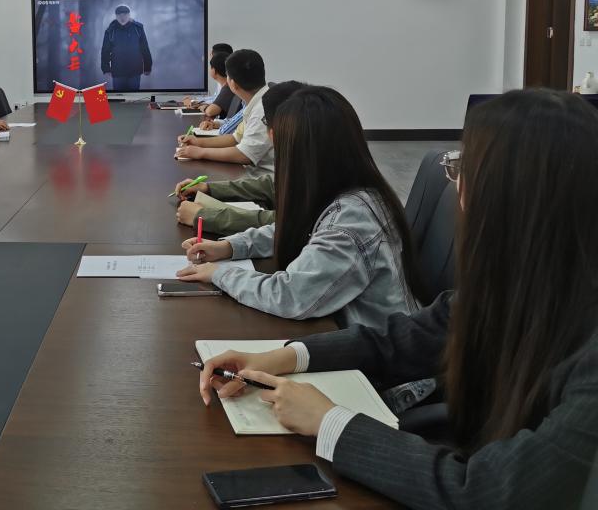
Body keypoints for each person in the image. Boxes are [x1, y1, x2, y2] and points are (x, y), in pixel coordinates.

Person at [197, 89, 598, 509]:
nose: (458, 187)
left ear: (514, 198)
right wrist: (283, 356)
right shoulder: (518, 288)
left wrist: (329, 421)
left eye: (465, 169)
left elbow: (485, 491)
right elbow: (392, 341)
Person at [176, 86, 426, 329]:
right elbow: (295, 229)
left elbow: (290, 296)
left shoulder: (351, 220)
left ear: (303, 153)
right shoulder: (344, 188)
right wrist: (230, 247)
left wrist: (219, 274)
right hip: (347, 331)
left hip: (374, 351)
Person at [174, 81, 307, 235]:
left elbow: (285, 223)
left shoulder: (319, 173)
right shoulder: (306, 158)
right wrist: (208, 188)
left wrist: (204, 217)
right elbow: (272, 185)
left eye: (267, 123)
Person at [175, 49, 273, 174]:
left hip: (262, 178)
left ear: (232, 83)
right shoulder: (256, 101)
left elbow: (244, 155)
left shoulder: (262, 108)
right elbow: (235, 138)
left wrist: (201, 152)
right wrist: (198, 142)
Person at [100, 5, 152, 91]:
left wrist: (147, 66)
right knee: (118, 96)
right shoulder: (110, 31)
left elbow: (145, 48)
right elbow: (105, 51)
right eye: (119, 15)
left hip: (135, 71)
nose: (122, 17)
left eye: (125, 14)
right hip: (118, 72)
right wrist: (106, 68)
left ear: (129, 15)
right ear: (116, 16)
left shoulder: (138, 29)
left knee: (134, 96)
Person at [184, 43, 233, 108]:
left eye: (211, 55)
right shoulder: (222, 79)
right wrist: (195, 100)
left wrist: (198, 103)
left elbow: (216, 104)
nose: (209, 58)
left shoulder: (227, 83)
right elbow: (215, 98)